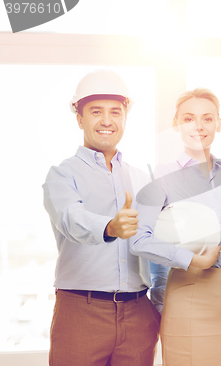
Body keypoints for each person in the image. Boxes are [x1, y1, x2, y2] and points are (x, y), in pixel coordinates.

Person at [130, 88, 221, 366]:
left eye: (207, 118)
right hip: (189, 292)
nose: (199, 126)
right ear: (176, 123)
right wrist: (191, 259)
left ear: (218, 124)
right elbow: (139, 239)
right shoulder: (163, 176)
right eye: (189, 118)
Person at [42, 70, 160, 366]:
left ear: (124, 118)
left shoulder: (142, 178)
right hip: (82, 311)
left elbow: (159, 242)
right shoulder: (62, 175)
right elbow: (71, 218)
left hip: (138, 313)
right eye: (96, 112)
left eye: (115, 112)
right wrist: (110, 227)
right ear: (79, 118)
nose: (107, 121)